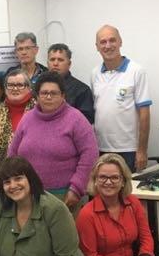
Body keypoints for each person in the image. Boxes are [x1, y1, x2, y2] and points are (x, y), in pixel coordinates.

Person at [8, 73, 99, 210]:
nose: (48, 97)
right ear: (37, 96)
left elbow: (90, 155)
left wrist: (77, 188)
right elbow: (12, 154)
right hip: (29, 194)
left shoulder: (76, 119)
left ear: (63, 96)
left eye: (54, 93)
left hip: (65, 196)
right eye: (44, 93)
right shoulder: (27, 119)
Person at [91, 25, 151, 171]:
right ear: (97, 46)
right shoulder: (94, 73)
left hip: (128, 150)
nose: (108, 46)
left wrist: (142, 150)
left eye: (112, 40)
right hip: (101, 148)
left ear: (120, 42)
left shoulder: (136, 71)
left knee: (128, 186)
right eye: (103, 42)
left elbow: (144, 114)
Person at [46, 44, 95, 124]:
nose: (55, 63)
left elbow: (86, 121)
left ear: (69, 64)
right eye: (52, 59)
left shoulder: (82, 90)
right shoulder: (39, 88)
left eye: (60, 60)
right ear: (47, 63)